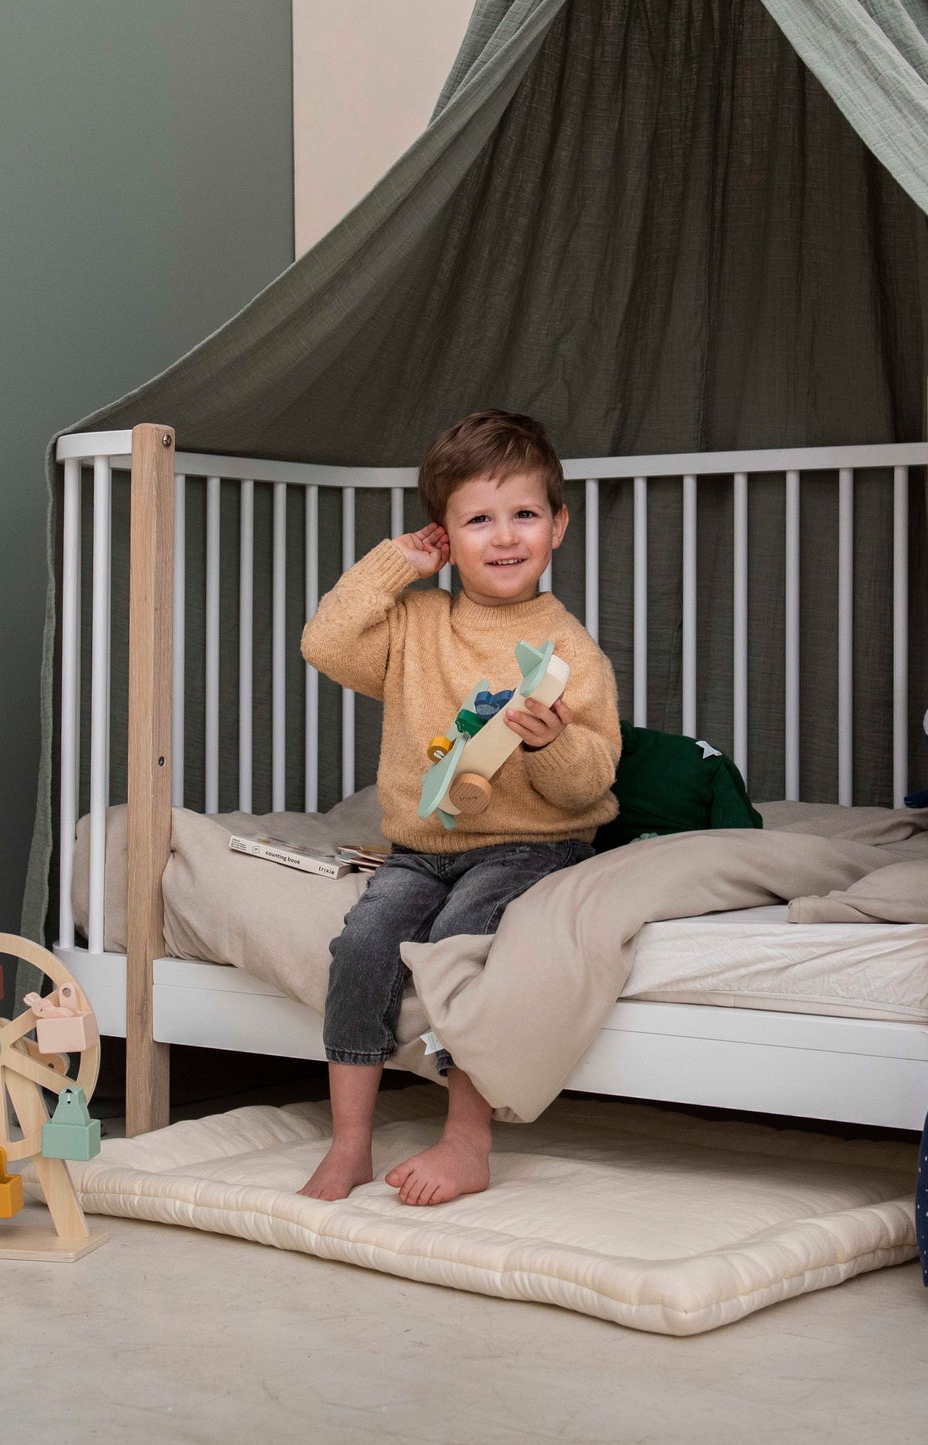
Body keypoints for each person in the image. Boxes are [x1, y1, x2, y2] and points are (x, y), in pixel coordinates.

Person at [298, 409, 621, 1206]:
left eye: (524, 515)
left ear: (558, 526)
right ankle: (349, 1143)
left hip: (527, 844)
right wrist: (391, 565)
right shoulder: (415, 624)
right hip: (421, 846)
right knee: (364, 940)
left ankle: (467, 1138)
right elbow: (325, 643)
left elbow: (589, 785)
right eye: (477, 518)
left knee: (459, 938)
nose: (504, 536)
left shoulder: (567, 652)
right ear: (443, 534)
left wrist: (549, 744)